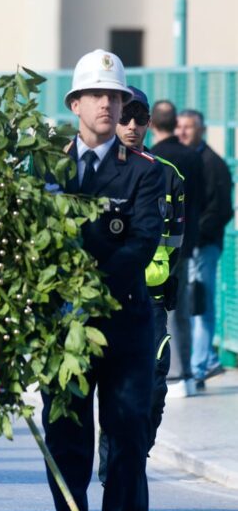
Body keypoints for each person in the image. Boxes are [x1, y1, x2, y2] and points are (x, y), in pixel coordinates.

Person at [42, 49, 164, 511]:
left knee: (128, 438)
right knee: (67, 442)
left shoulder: (143, 172)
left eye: (116, 97)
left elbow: (140, 243)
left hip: (124, 326)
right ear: (75, 104)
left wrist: (86, 288)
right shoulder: (47, 167)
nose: (109, 105)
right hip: (61, 331)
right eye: (98, 95)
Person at [99, 86, 185, 482]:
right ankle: (111, 450)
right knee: (110, 387)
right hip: (104, 300)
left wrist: (171, 288)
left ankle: (133, 453)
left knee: (153, 386)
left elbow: (177, 243)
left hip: (149, 302)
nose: (133, 127)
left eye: (141, 119)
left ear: (150, 123)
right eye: (125, 118)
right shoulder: (95, 172)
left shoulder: (168, 176)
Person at [149, 100, 204, 398]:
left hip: (158, 253)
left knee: (167, 310)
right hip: (187, 241)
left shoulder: (153, 161)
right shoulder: (194, 156)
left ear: (151, 124)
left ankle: (174, 373)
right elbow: (205, 197)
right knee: (183, 311)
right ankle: (189, 373)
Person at [176, 108, 234, 388]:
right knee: (190, 303)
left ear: (201, 130)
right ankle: (201, 361)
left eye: (189, 127)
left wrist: (198, 233)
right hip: (190, 244)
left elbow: (222, 208)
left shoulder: (212, 163)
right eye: (180, 126)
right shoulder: (188, 159)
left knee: (200, 301)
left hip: (204, 246)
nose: (183, 132)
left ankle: (200, 365)